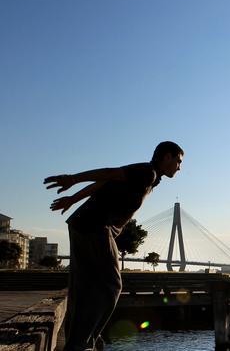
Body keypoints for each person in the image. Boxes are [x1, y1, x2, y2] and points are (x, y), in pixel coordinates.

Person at [44, 141, 183, 351]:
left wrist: (73, 199)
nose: (179, 167)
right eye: (178, 161)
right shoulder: (147, 172)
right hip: (95, 226)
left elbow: (104, 183)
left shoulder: (150, 178)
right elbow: (109, 173)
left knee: (85, 287)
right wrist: (73, 179)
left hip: (83, 223)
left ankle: (77, 342)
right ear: (166, 157)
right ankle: (84, 342)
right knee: (112, 285)